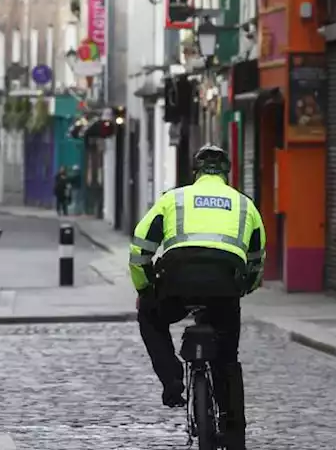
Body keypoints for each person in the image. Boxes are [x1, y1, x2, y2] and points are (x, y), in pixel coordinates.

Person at [130, 145, 266, 450]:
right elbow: (257, 259)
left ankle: (172, 381)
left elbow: (140, 249)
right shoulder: (244, 205)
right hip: (224, 288)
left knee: (149, 316)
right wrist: (246, 287)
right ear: (227, 173)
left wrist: (145, 289)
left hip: (177, 284)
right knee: (228, 359)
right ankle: (232, 433)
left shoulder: (173, 199)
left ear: (196, 172)